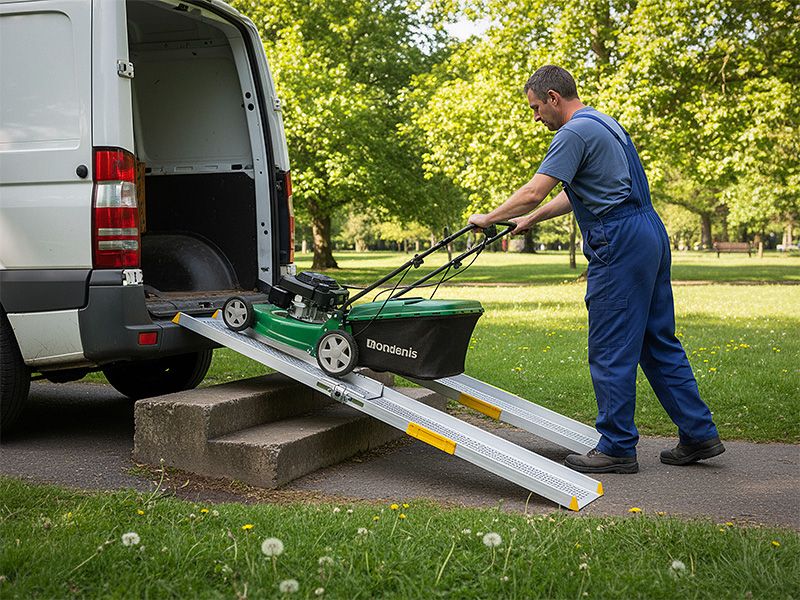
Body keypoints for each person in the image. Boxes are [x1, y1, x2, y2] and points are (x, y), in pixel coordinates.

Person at [469, 65, 724, 474]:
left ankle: (618, 446)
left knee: (610, 346)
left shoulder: (570, 133)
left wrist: (490, 216)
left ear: (553, 97)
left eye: (536, 108)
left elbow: (536, 189)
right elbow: (575, 194)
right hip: (647, 233)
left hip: (618, 240)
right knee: (657, 340)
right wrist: (531, 220)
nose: (535, 117)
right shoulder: (604, 123)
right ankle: (698, 433)